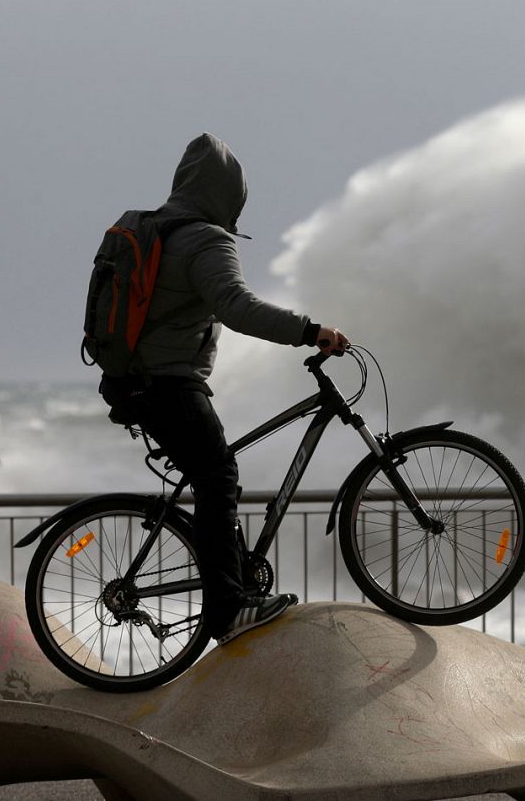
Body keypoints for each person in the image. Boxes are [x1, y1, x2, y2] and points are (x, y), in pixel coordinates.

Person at [100, 133, 349, 644]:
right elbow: (236, 307)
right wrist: (310, 331)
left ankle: (234, 588)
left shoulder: (158, 228)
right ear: (229, 193)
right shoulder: (206, 239)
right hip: (167, 382)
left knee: (216, 479)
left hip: (134, 379)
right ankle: (228, 611)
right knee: (218, 476)